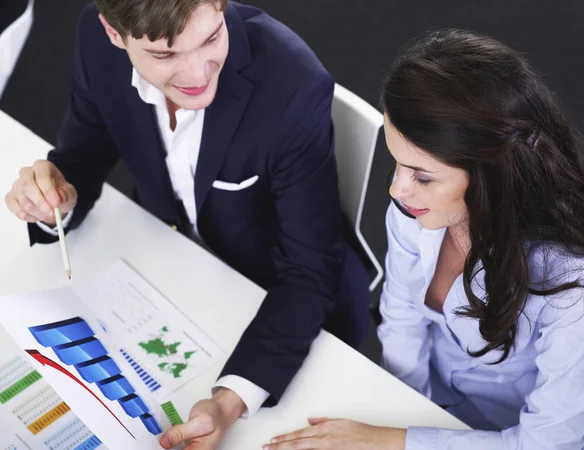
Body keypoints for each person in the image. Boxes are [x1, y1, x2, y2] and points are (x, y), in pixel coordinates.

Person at [3, 0, 372, 448]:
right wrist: (55, 198)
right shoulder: (94, 41)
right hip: (174, 269)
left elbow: (311, 270)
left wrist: (228, 401)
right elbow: (83, 155)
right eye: (165, 56)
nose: (198, 75)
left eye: (212, 38)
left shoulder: (294, 86)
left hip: (288, 305)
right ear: (114, 34)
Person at [264, 29, 584, 450]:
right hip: (432, 411)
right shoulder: (419, 208)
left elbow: (547, 443)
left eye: (422, 175)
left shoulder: (582, 286)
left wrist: (390, 441)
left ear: (493, 176)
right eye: (398, 164)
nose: (397, 190)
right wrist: (402, 410)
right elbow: (402, 316)